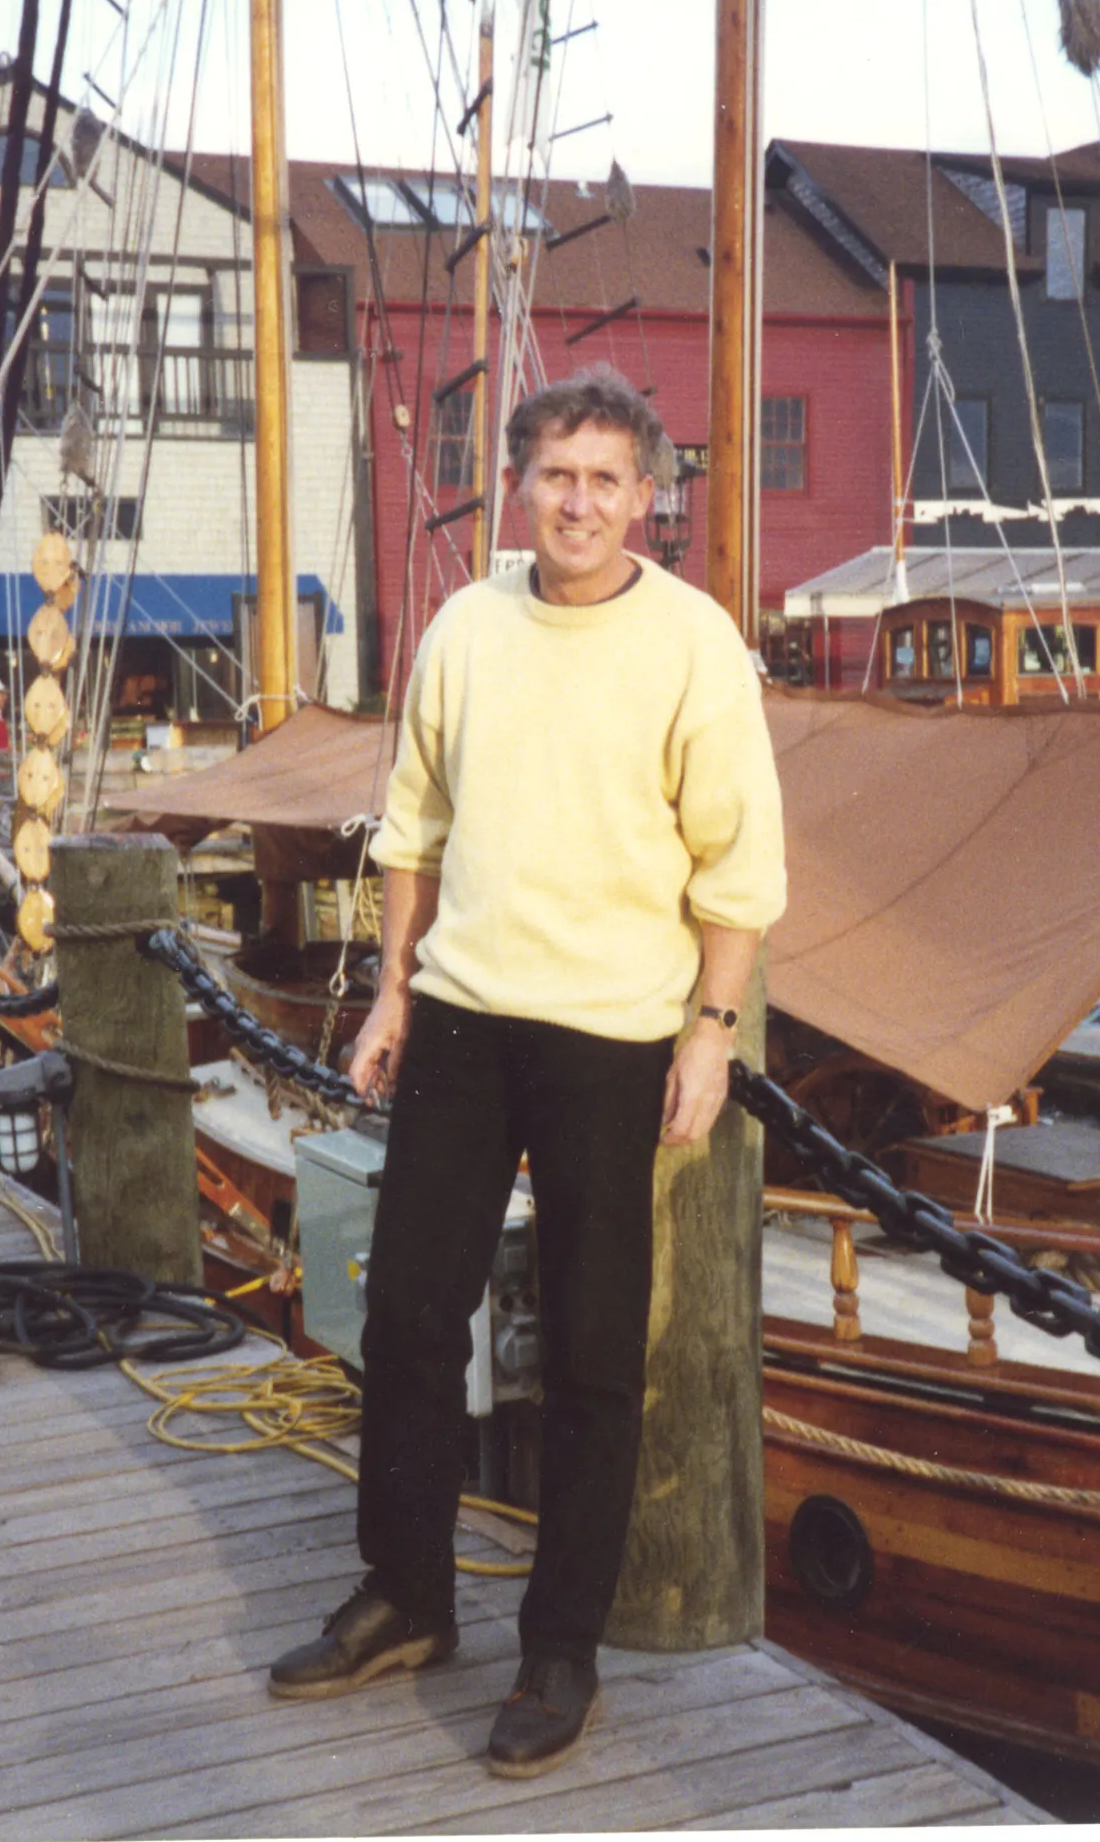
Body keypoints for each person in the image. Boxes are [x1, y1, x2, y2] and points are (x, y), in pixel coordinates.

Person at [266, 365, 786, 1779]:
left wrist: (711, 1028)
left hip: (614, 1034)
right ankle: (407, 1599)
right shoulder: (465, 628)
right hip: (463, 1017)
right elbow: (414, 826)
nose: (579, 503)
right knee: (407, 1321)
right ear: (518, 486)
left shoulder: (693, 644)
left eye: (607, 478)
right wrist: (390, 992)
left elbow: (740, 862)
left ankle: (562, 1649)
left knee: (595, 1351)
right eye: (556, 474)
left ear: (646, 497)